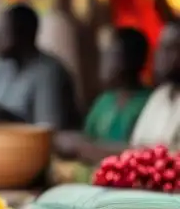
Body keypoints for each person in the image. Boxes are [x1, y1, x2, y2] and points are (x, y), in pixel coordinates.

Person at [55, 27, 152, 164]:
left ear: (132, 59)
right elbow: (88, 136)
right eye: (104, 55)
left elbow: (139, 153)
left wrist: (82, 147)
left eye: (112, 55)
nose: (104, 62)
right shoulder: (104, 100)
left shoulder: (149, 103)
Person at [0, 3, 80, 130]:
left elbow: (49, 131)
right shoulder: (2, 70)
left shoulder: (49, 74)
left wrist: (2, 116)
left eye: (3, 31)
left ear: (23, 33)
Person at [128, 20, 180, 150]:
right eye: (160, 47)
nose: (160, 55)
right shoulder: (159, 96)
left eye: (169, 48)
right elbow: (135, 148)